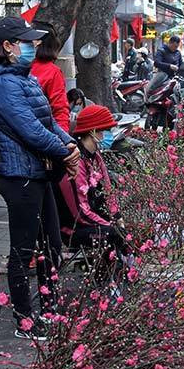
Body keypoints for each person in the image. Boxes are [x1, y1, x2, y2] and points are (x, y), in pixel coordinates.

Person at [0, 17, 80, 340]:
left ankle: (49, 309)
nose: (33, 46)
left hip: (39, 173)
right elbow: (30, 131)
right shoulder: (4, 84)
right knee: (23, 251)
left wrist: (69, 144)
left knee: (51, 243)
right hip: (20, 176)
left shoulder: (24, 78)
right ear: (7, 47)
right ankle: (25, 319)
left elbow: (48, 122)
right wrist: (64, 152)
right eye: (25, 41)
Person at [60, 105, 127, 285]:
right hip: (73, 226)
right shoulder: (76, 161)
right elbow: (79, 212)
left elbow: (107, 190)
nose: (107, 135)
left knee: (126, 229)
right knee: (113, 235)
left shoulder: (95, 156)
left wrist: (117, 216)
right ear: (93, 131)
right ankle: (104, 283)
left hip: (94, 218)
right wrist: (110, 225)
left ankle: (114, 277)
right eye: (105, 131)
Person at [30, 23, 70, 132]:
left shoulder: (52, 72)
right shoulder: (19, 66)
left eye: (29, 37)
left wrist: (63, 140)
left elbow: (60, 109)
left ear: (38, 42)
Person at [147, 35, 183, 101]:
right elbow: (156, 63)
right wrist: (170, 66)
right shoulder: (161, 51)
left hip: (175, 77)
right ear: (170, 43)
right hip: (163, 74)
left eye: (177, 47)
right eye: (174, 46)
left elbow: (181, 65)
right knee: (149, 89)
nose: (175, 48)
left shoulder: (178, 53)